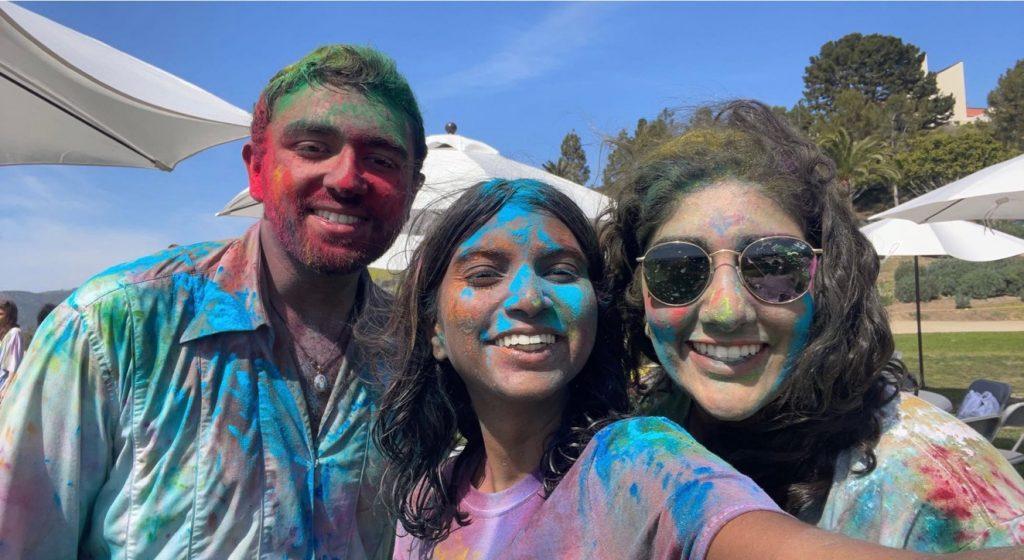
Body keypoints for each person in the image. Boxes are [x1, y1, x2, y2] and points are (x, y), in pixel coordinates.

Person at [368, 178, 1020, 560]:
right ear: (432, 329)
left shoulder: (639, 462)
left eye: (562, 272)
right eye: (484, 274)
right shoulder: (427, 498)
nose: (529, 298)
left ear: (593, 314)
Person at [0, 44, 426, 558]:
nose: (346, 179)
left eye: (381, 160)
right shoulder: (116, 327)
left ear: (411, 190)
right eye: (313, 148)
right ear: (256, 169)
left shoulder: (414, 359)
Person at [602, 99, 1024, 552]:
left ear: (829, 285)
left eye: (773, 265)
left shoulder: (943, 487)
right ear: (637, 294)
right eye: (678, 269)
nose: (726, 312)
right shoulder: (644, 429)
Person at [0, 299, 24, 394]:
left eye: (1, 314)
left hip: (5, 387)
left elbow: (14, 365)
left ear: (10, 317)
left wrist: (6, 390)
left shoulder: (14, 333)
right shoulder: (4, 336)